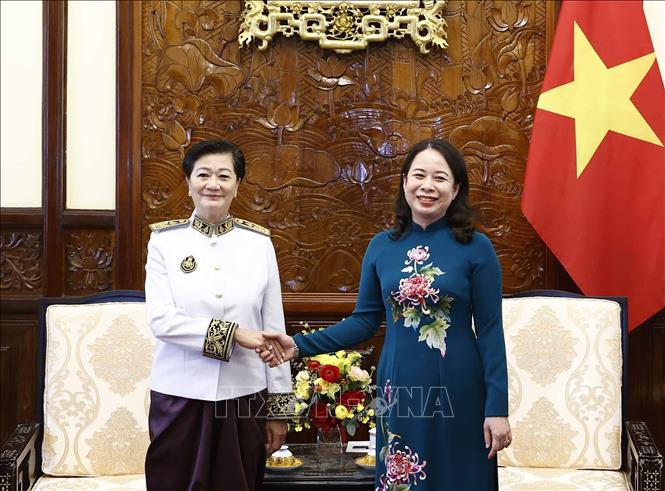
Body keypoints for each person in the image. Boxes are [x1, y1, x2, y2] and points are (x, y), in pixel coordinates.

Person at [260, 138, 511, 491]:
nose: (427, 186)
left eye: (440, 178)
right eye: (419, 175)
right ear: (405, 181)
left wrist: (497, 408)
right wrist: (298, 345)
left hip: (461, 387)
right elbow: (364, 321)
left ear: (455, 190)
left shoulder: (477, 247)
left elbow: (490, 331)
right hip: (401, 387)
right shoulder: (382, 246)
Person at [144, 139, 295, 491]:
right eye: (203, 175)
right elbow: (162, 321)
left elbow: (274, 329)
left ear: (237, 184)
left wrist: (279, 409)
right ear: (188, 182)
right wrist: (234, 334)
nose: (213, 184)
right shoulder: (165, 242)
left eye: (224, 176)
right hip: (179, 393)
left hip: (243, 394)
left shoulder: (259, 244)